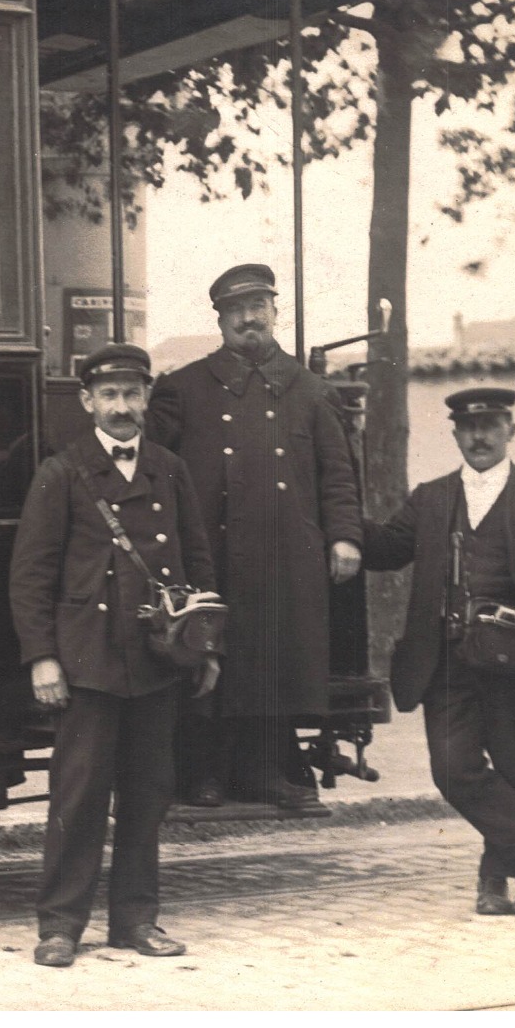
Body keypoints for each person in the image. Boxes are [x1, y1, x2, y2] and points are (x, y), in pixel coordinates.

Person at [10, 342, 220, 968]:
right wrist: (42, 659)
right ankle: (60, 926)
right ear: (87, 402)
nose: (122, 407)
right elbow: (30, 577)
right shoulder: (63, 472)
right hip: (88, 662)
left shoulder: (168, 468)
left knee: (148, 794)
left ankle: (136, 920)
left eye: (132, 394)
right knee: (78, 798)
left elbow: (198, 561)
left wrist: (207, 645)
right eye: (109, 396)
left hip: (156, 661)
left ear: (147, 399)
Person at [362, 387, 515, 915]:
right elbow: (386, 549)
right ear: (455, 434)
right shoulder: (431, 497)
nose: (480, 436)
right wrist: (340, 526)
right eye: (469, 427)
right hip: (444, 663)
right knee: (452, 768)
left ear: (511, 429)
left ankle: (495, 883)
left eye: (491, 425)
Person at [147, 264, 362, 808]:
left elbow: (338, 473)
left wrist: (344, 538)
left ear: (274, 311)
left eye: (258, 307)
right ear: (220, 320)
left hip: (288, 552)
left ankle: (266, 771)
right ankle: (203, 773)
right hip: (211, 551)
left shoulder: (311, 391)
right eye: (236, 310)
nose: (249, 318)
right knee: (208, 651)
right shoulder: (184, 389)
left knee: (275, 659)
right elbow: (158, 472)